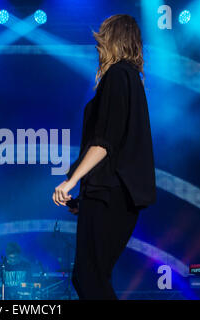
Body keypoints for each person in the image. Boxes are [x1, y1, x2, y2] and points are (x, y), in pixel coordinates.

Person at [52, 14, 156, 299]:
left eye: (102, 41)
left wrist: (71, 181)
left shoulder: (117, 75)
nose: (97, 48)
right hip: (112, 195)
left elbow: (105, 142)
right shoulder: (130, 78)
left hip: (110, 194)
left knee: (88, 277)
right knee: (91, 277)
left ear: (114, 41)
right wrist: (85, 195)